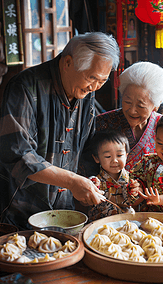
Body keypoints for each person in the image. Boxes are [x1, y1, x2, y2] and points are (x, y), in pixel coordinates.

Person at [0, 32, 120, 230]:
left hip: (64, 211)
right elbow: (19, 155)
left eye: (102, 81)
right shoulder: (25, 87)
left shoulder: (86, 92)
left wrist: (91, 179)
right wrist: (72, 181)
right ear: (67, 63)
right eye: (92, 78)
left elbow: (86, 147)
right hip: (19, 211)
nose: (95, 87)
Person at [79, 61, 163, 177]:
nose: (132, 110)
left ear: (156, 106)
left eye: (140, 105)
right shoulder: (102, 123)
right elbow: (84, 167)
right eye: (127, 102)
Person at [87, 131, 139, 221]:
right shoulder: (95, 181)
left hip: (127, 223)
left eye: (119, 155)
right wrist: (92, 188)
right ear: (96, 158)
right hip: (100, 224)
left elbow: (136, 200)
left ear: (126, 156)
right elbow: (84, 200)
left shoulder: (132, 179)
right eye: (108, 156)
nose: (115, 160)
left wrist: (135, 191)